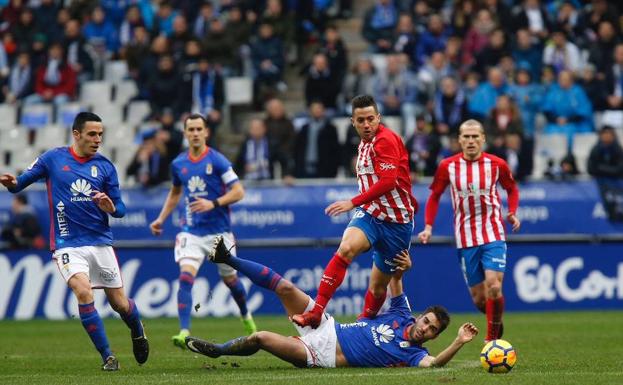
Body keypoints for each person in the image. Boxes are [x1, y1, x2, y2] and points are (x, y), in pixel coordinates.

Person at [0, 112, 149, 371]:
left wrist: (111, 207)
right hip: (67, 242)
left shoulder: (105, 166)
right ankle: (108, 356)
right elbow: (20, 183)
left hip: (99, 241)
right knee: (83, 291)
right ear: (77, 134)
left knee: (119, 304)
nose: (98, 139)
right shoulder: (53, 159)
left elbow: (121, 208)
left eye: (101, 134)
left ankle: (136, 328)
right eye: (92, 134)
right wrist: (12, 184)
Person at [185, 239, 479, 368]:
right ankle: (226, 257)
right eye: (426, 321)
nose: (424, 329)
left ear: (433, 337)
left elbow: (435, 364)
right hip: (327, 325)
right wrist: (404, 266)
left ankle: (218, 351)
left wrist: (459, 342)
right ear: (419, 316)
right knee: (285, 287)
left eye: (431, 331)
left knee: (261, 337)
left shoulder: (416, 355)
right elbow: (396, 280)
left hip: (320, 355)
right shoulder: (402, 314)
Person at [292, 95, 417, 328]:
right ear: (353, 122)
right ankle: (316, 312)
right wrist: (360, 204)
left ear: (379, 118)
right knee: (346, 248)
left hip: (397, 223)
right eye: (361, 120)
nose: (366, 125)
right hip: (370, 214)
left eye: (371, 119)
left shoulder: (386, 140)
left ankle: (363, 325)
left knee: (378, 287)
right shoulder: (362, 143)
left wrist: (353, 201)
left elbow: (388, 181)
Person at [149, 113, 257, 349]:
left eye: (199, 129)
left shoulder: (218, 161)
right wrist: (160, 219)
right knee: (186, 277)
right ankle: (184, 331)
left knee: (231, 281)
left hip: (220, 233)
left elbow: (239, 191)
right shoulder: (178, 164)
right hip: (191, 232)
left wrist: (214, 203)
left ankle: (245, 315)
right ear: (185, 133)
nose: (196, 133)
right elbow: (175, 193)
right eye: (191, 130)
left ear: (206, 132)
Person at [417, 119, 520, 342]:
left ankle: (490, 340)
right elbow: (434, 196)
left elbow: (512, 189)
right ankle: (496, 320)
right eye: (466, 137)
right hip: (465, 238)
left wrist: (511, 211)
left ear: (483, 138)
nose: (471, 141)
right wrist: (427, 227)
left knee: (494, 285)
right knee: (480, 300)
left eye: (475, 136)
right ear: (459, 140)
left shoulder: (497, 164)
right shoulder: (448, 166)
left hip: (493, 233)